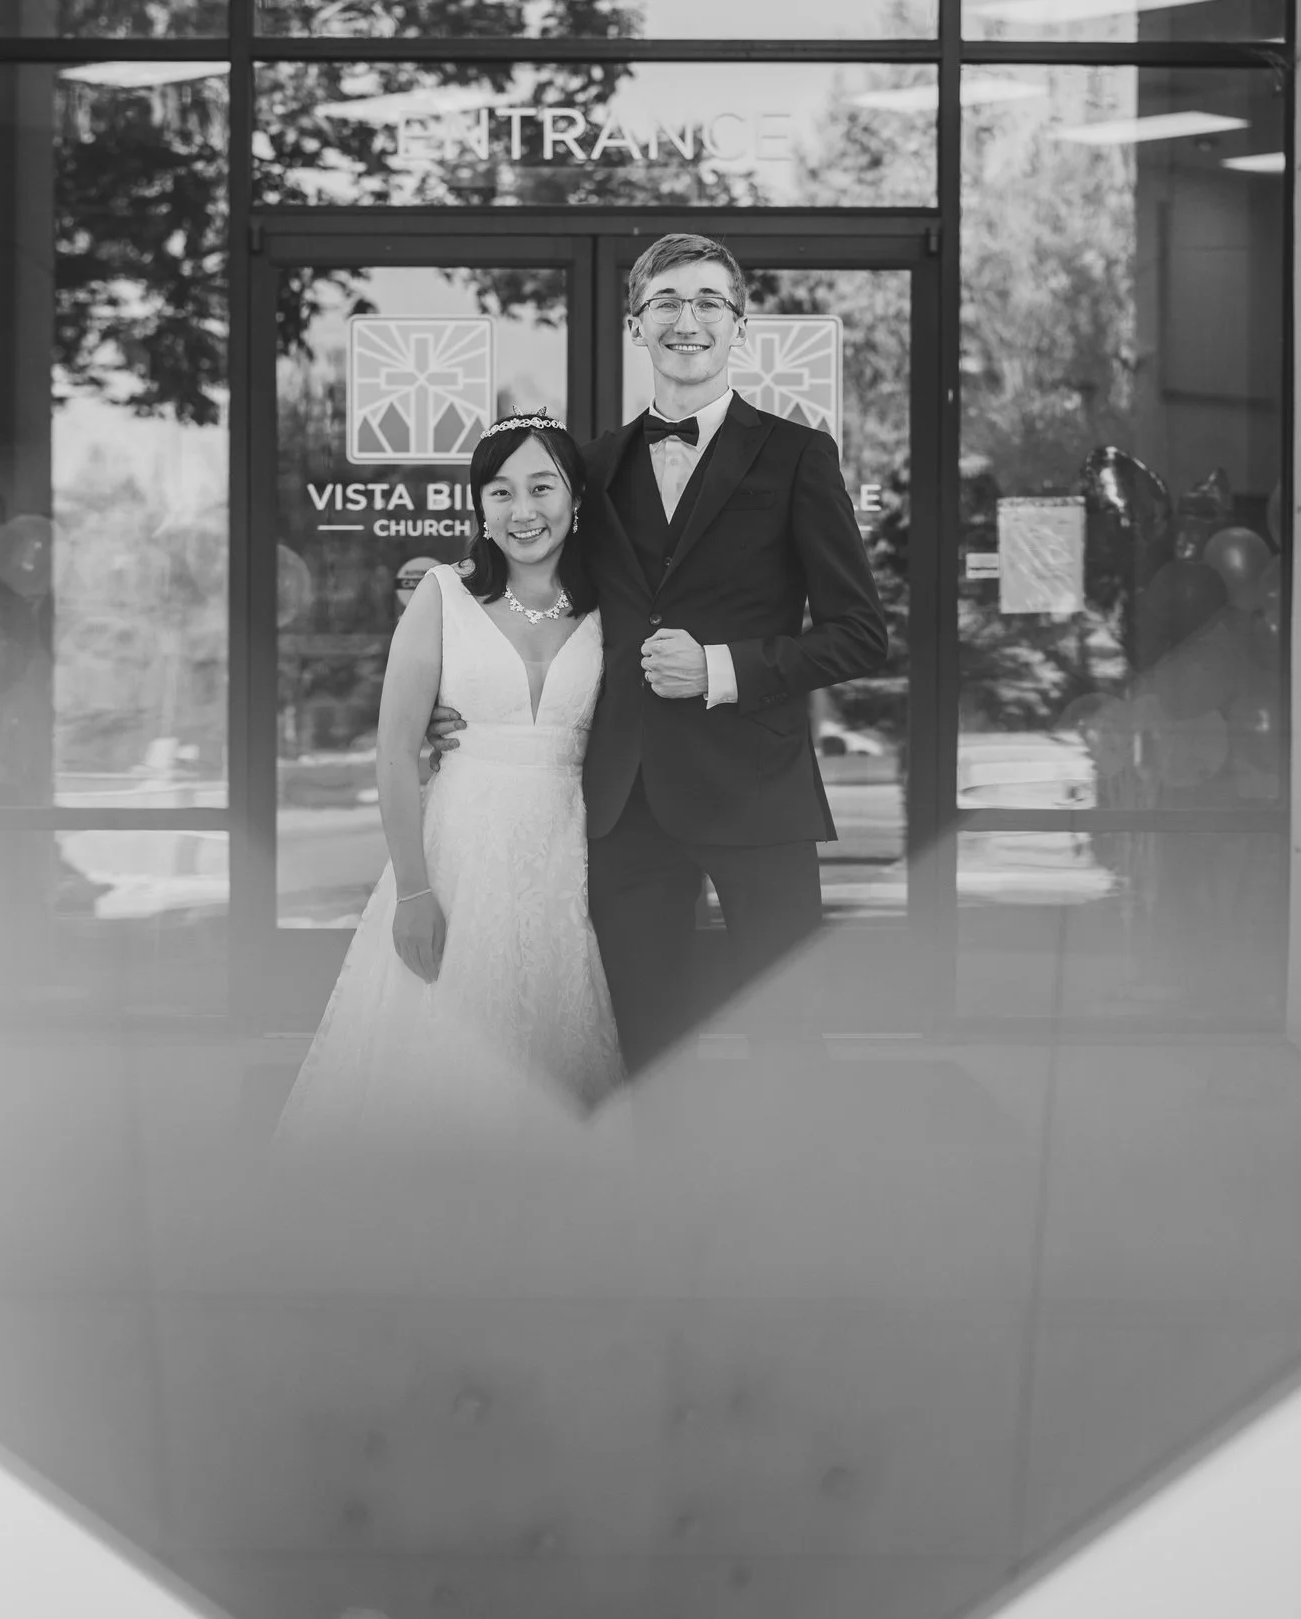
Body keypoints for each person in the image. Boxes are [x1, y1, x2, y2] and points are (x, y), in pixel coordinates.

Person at [432, 234, 887, 1073]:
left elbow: (859, 633)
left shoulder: (797, 457)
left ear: (740, 327)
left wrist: (719, 668)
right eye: (667, 303)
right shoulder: (593, 467)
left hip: (759, 793)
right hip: (625, 800)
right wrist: (453, 667)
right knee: (642, 1041)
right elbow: (538, 584)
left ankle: (790, 1202)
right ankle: (659, 1199)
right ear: (637, 327)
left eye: (710, 301)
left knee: (788, 1039)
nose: (688, 319)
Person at [277, 415, 623, 1142]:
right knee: (438, 1055)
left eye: (541, 487)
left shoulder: (612, 608)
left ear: (577, 500)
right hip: (458, 852)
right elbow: (396, 749)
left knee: (553, 1048)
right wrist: (413, 890)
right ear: (480, 508)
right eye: (499, 492)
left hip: (568, 858)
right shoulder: (444, 595)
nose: (522, 510)